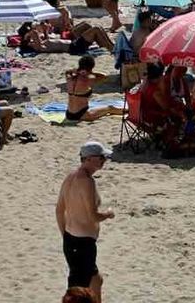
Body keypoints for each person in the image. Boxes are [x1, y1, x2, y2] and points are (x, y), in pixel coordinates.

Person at [56, 141, 114, 303]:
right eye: (101, 157)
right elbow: (92, 216)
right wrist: (108, 214)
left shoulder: (70, 177)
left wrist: (65, 235)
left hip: (71, 241)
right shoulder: (87, 182)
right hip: (83, 244)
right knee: (77, 293)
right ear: (88, 159)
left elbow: (59, 210)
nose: (104, 160)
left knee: (96, 280)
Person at [65, 56, 123, 122]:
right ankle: (127, 110)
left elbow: (67, 71)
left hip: (69, 114)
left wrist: (77, 70)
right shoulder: (88, 78)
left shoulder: (69, 77)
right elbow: (104, 76)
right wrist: (90, 72)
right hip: (82, 114)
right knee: (110, 108)